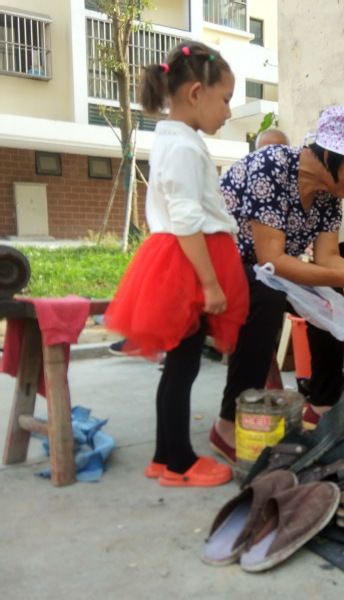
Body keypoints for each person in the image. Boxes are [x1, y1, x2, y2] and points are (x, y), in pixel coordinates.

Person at [209, 105, 344, 463]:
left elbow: (327, 258)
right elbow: (271, 259)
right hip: (214, 266)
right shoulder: (271, 166)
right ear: (331, 154)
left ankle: (322, 406)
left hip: (264, 270)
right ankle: (226, 425)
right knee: (265, 294)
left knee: (329, 294)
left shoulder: (330, 194)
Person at [104, 41, 248, 487]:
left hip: (179, 261)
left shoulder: (174, 139)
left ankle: (164, 457)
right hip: (187, 267)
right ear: (196, 93)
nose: (228, 112)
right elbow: (186, 218)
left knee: (178, 367)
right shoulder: (183, 146)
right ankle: (180, 464)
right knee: (183, 368)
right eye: (225, 100)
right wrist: (210, 283)